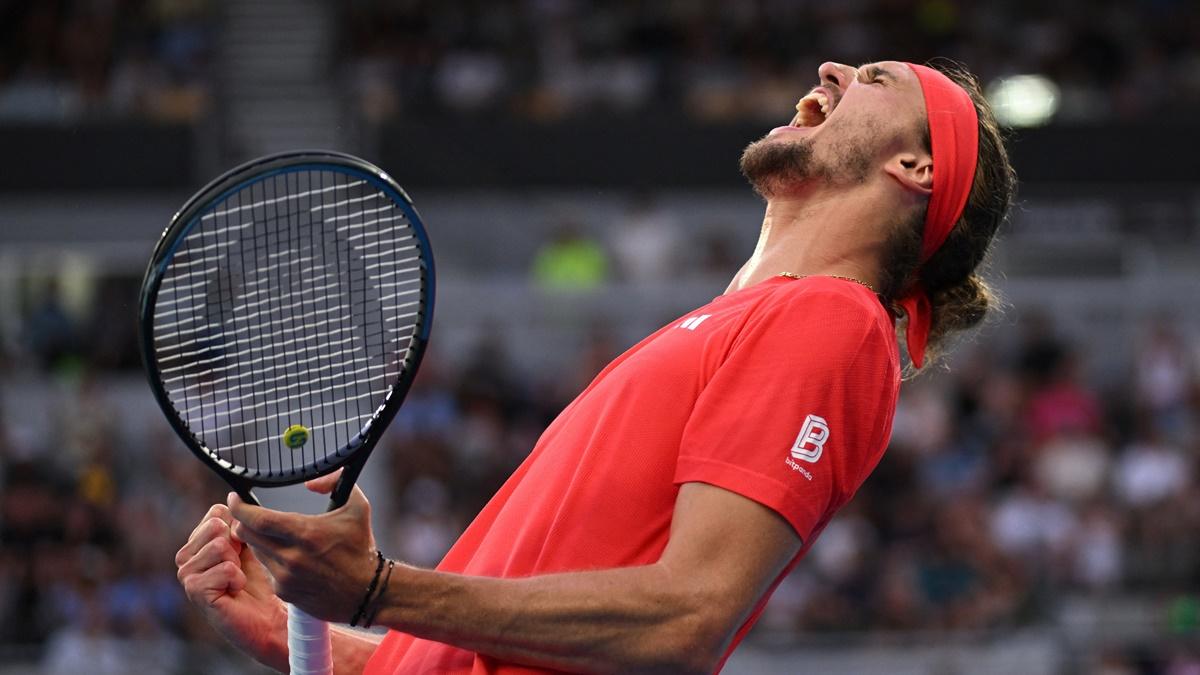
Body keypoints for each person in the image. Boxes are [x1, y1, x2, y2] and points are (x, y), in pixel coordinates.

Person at [175, 60, 1015, 674]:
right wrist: (299, 627)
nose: (832, 67)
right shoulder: (728, 324)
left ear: (916, 167)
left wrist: (373, 588)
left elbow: (685, 619)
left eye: (874, 77)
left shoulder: (830, 318)